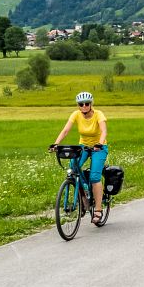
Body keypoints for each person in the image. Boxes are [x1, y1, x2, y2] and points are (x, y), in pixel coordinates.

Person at [50, 91, 109, 223]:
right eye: (80, 104)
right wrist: (56, 144)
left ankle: (98, 209)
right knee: (73, 168)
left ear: (91, 104)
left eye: (86, 104)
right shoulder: (76, 114)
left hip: (99, 148)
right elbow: (65, 130)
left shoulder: (98, 114)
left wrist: (100, 143)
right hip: (83, 147)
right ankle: (84, 197)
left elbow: (104, 130)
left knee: (94, 177)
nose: (83, 106)